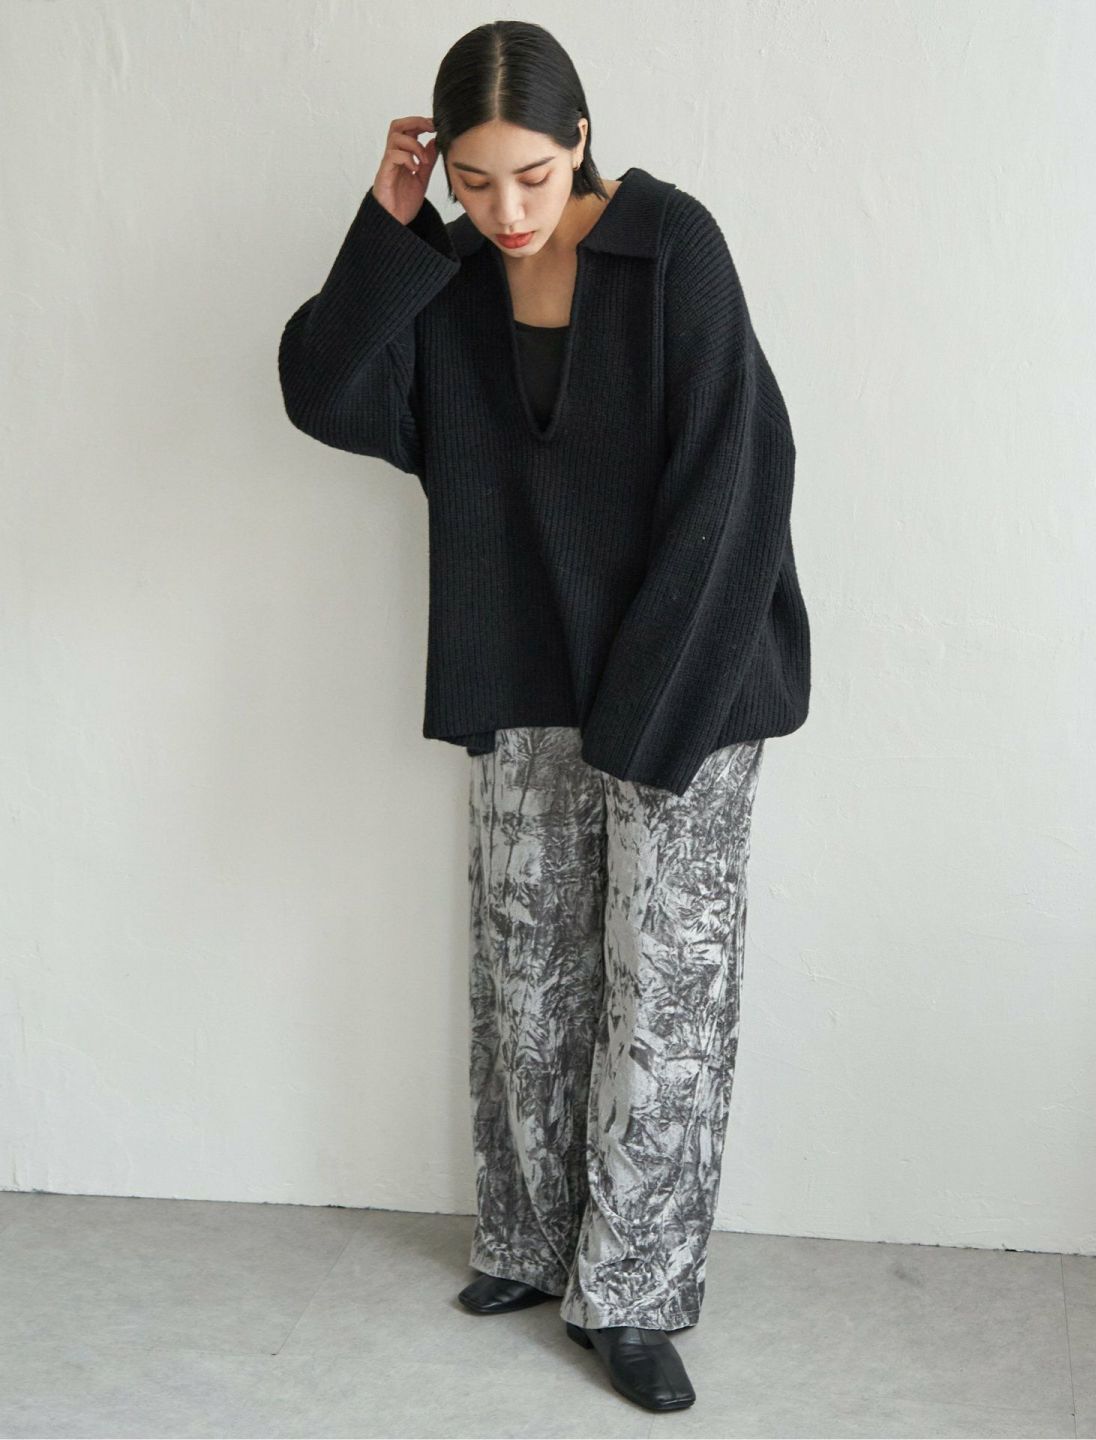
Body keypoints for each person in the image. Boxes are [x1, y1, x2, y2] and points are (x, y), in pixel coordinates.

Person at [278, 19, 811, 1414]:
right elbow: (327, 395)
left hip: (690, 678)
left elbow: (742, 472)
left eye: (528, 174)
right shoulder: (450, 273)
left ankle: (632, 1292)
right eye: (472, 180)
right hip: (524, 673)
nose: (506, 209)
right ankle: (529, 1241)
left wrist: (649, 714)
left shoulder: (671, 247)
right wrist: (391, 230)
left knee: (663, 1000)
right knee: (530, 979)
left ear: (579, 138)